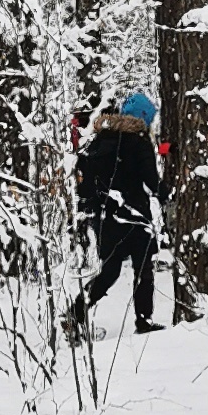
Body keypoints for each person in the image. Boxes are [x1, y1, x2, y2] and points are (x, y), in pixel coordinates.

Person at [67, 90, 166, 339]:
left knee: (109, 271)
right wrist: (168, 191)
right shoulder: (139, 143)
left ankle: (75, 313)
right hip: (135, 215)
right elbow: (152, 183)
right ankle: (144, 320)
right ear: (143, 118)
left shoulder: (100, 140)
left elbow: (85, 182)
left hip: (105, 217)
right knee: (143, 269)